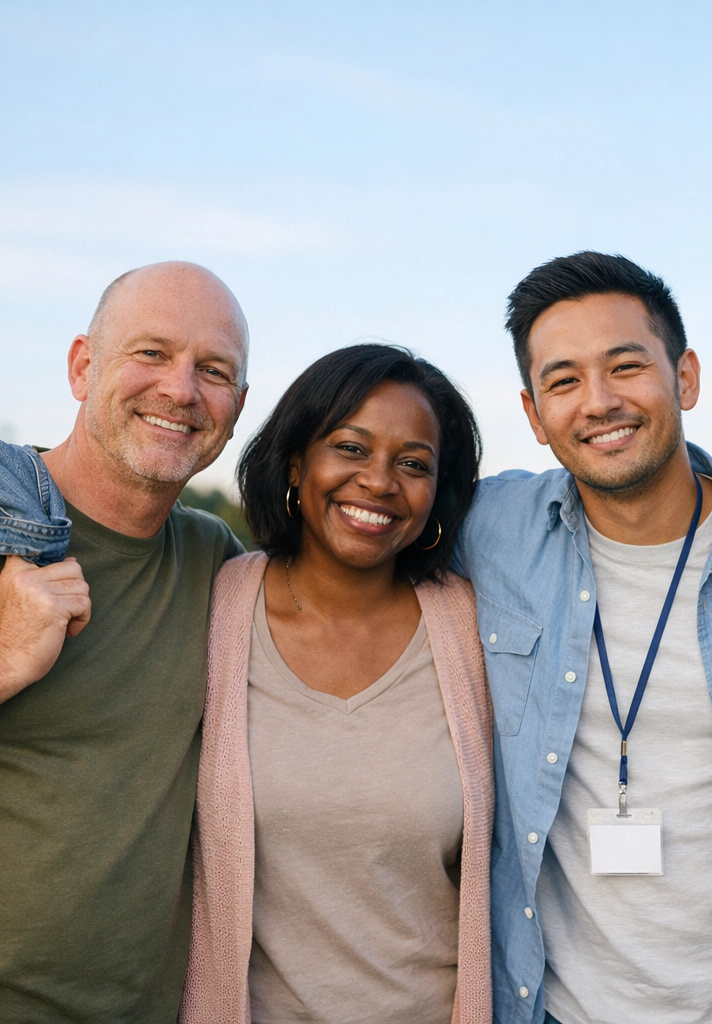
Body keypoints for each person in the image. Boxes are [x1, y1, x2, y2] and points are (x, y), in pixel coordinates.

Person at [0, 261, 250, 1021]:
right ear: (82, 366)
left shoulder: (220, 568)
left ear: (236, 408)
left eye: (214, 370)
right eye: (151, 353)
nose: (181, 389)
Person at [455, 252, 712, 1024]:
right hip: (555, 1009)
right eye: (563, 382)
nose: (598, 402)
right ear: (533, 414)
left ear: (684, 377)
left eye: (625, 366)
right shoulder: (487, 530)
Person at [181, 344, 494, 1024]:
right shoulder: (214, 606)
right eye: (351, 449)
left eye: (413, 464)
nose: (380, 481)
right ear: (296, 462)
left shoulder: (476, 633)